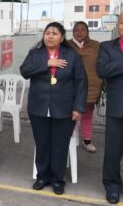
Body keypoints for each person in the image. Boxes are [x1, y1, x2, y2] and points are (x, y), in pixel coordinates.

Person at [20, 22, 87, 195]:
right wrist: (47, 63)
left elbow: (81, 82)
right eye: (47, 32)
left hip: (64, 108)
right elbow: (24, 71)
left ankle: (57, 179)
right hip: (38, 107)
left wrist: (78, 108)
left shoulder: (72, 55)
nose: (50, 36)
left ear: (62, 37)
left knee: (60, 145)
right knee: (42, 144)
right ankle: (42, 177)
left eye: (55, 33)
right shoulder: (35, 54)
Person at [97, 10, 123, 204]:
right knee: (113, 150)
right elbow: (102, 70)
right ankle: (113, 187)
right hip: (118, 107)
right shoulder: (107, 47)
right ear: (118, 26)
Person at [68, 21, 103, 153]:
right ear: (73, 32)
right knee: (69, 115)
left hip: (91, 87)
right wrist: (78, 53)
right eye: (77, 30)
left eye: (83, 30)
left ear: (88, 32)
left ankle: (87, 141)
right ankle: (68, 139)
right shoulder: (67, 45)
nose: (79, 32)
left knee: (87, 114)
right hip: (70, 87)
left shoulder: (96, 45)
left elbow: (101, 65)